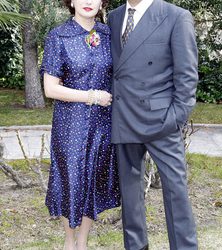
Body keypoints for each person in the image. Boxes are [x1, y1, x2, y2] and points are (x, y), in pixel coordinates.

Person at [108, 0, 198, 249]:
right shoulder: (114, 17)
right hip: (125, 117)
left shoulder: (176, 16)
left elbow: (187, 75)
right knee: (130, 196)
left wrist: (175, 118)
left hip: (162, 121)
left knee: (176, 192)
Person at [40, 0, 120, 249]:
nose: (88, 1)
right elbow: (50, 88)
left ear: (102, 2)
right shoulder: (58, 36)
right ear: (71, 2)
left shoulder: (108, 35)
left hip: (102, 124)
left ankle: (83, 243)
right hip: (69, 123)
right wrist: (91, 96)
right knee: (71, 181)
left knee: (92, 181)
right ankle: (69, 242)